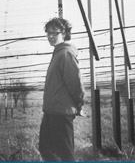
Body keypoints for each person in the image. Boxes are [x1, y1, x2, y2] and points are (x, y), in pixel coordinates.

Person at [39, 17, 85, 162]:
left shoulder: (65, 54)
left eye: (55, 33)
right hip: (52, 111)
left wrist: (80, 104)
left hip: (61, 113)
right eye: (48, 33)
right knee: (46, 149)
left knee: (65, 153)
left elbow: (75, 83)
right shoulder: (58, 53)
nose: (51, 36)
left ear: (64, 34)